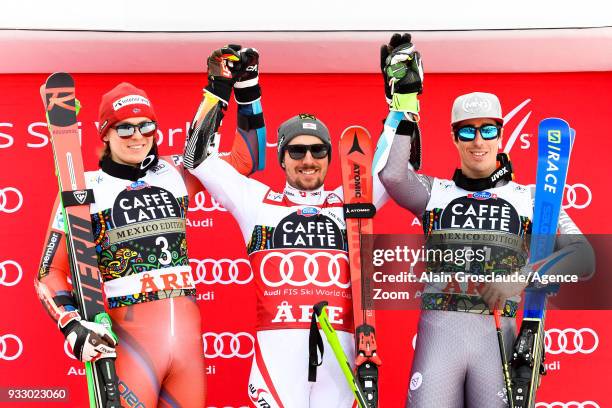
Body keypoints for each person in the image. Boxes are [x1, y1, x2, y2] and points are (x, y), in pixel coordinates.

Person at [35, 47, 265, 408]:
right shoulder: (83, 188)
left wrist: (244, 88)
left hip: (187, 343)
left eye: (146, 125)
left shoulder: (174, 172)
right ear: (105, 134)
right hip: (131, 343)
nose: (137, 135)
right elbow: (50, 273)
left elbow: (246, 161)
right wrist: (72, 325)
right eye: (124, 127)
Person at [376, 34, 594, 407]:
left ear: (501, 135)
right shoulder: (434, 191)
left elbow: (585, 258)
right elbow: (393, 176)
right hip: (439, 332)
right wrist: (405, 105)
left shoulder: (532, 197)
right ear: (454, 138)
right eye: (467, 130)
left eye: (488, 129)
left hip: (498, 335)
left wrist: (521, 278)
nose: (479, 140)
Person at [183, 46, 390, 407]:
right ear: (282, 158)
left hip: (342, 356)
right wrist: (223, 89)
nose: (308, 160)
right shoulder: (257, 201)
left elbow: (397, 168)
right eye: (296, 151)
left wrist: (403, 101)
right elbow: (195, 158)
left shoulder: (353, 198)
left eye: (318, 151)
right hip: (277, 355)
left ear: (330, 156)